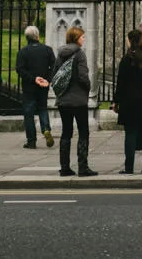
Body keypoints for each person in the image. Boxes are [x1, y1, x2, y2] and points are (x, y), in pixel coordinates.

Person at [113, 28, 142, 174]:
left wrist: (116, 101)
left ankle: (129, 167)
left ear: (130, 41)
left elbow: (121, 83)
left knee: (131, 133)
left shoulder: (127, 59)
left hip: (130, 101)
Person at [54, 25, 97, 177]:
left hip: (64, 100)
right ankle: (83, 167)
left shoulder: (60, 54)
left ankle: (64, 167)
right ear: (76, 38)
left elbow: (55, 75)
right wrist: (88, 88)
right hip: (78, 100)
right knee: (83, 132)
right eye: (82, 37)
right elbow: (83, 76)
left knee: (66, 132)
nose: (84, 39)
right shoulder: (80, 54)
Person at [15, 25, 56, 149]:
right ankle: (46, 129)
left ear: (27, 37)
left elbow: (20, 69)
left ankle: (31, 141)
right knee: (43, 108)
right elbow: (54, 66)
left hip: (29, 87)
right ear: (37, 36)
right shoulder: (47, 50)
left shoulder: (23, 52)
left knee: (29, 113)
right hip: (43, 86)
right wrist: (47, 80)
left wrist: (33, 79)